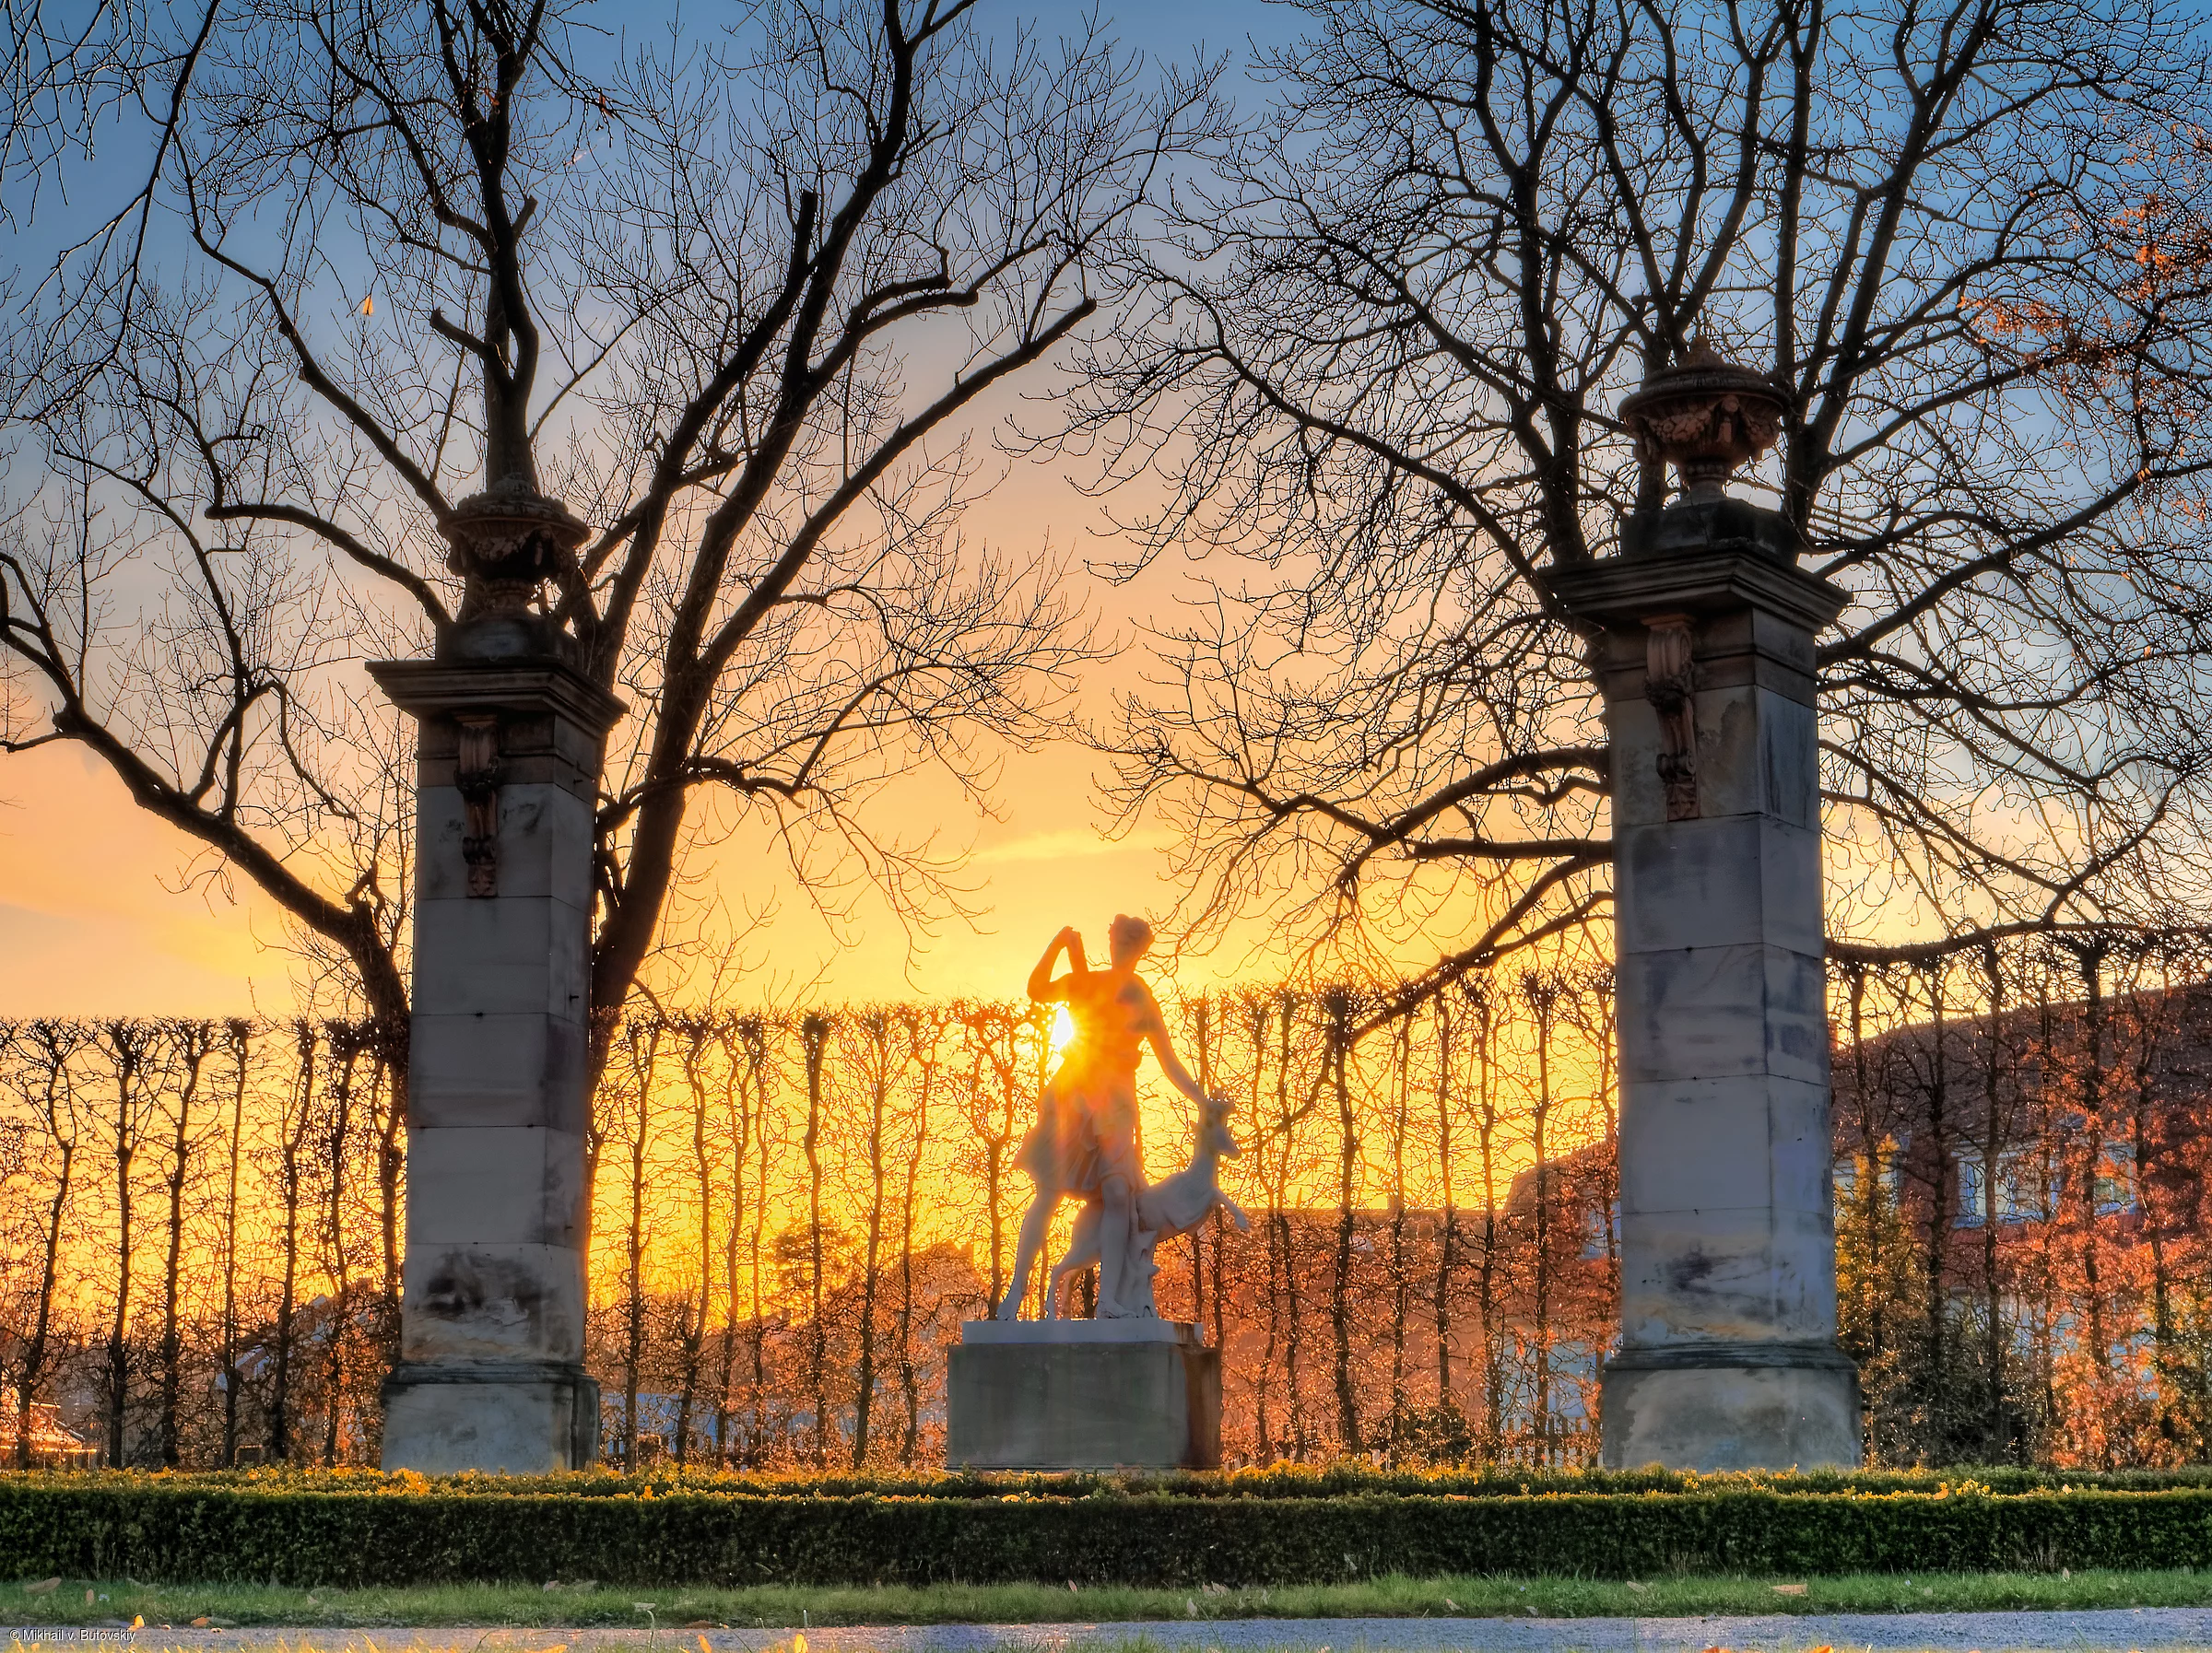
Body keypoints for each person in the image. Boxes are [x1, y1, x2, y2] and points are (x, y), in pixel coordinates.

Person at [997, 914, 1215, 1319]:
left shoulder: (1139, 995)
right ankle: (1016, 1291)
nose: (1122, 950)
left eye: (1129, 945)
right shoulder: (1089, 982)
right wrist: (1059, 944)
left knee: (1117, 1195)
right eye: (1119, 942)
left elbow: (1169, 1061)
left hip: (1114, 1104)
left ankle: (1109, 1300)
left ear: (1137, 951)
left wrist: (1201, 1099)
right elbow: (1037, 989)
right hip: (1076, 1096)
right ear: (1114, 944)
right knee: (1048, 1192)